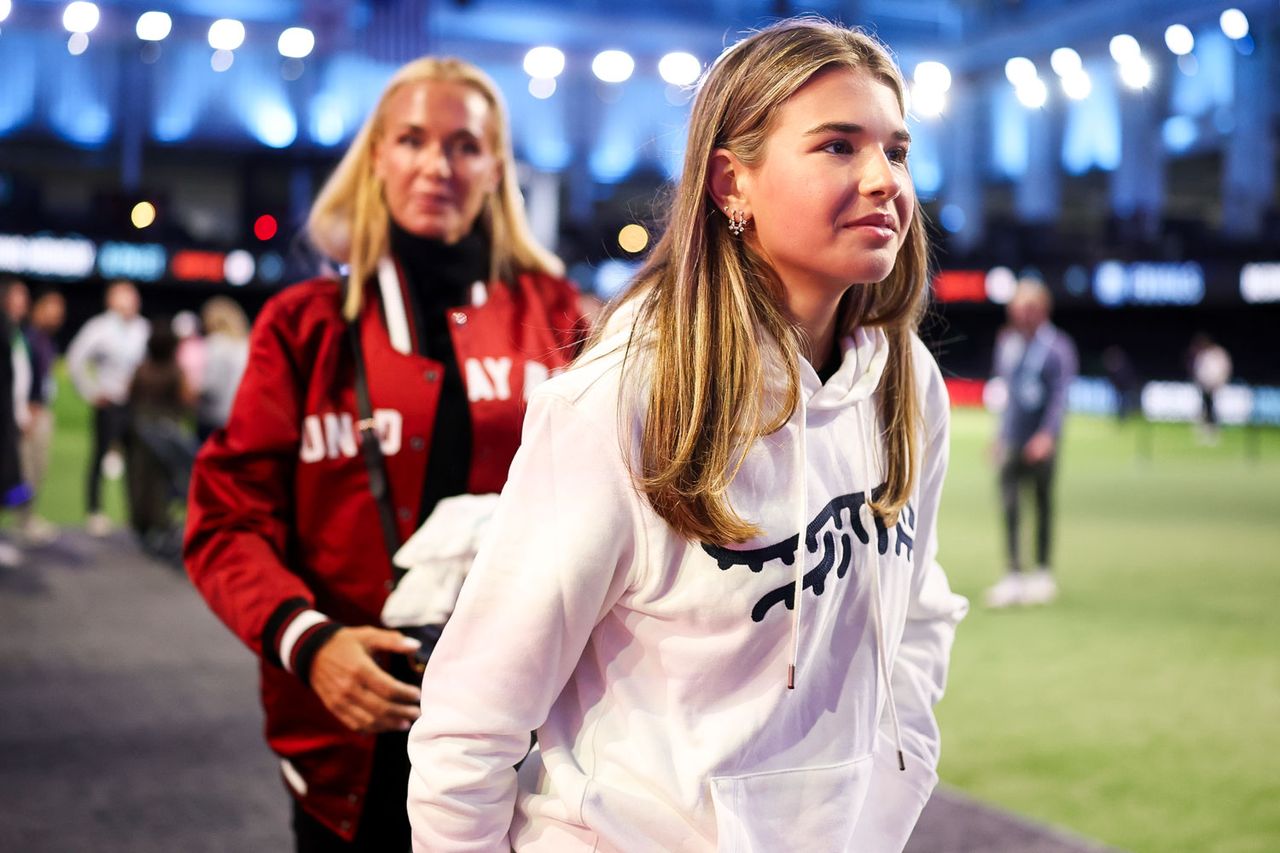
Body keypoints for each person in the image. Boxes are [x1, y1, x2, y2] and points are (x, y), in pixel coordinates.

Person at [406, 20, 968, 852]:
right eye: (839, 146)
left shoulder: (907, 384)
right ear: (730, 182)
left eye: (898, 150)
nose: (885, 180)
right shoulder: (622, 401)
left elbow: (917, 610)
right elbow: (470, 724)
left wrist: (896, 774)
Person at [183, 56, 586, 852]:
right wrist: (310, 639)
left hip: (521, 731)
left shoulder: (558, 315)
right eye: (412, 139)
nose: (438, 164)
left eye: (465, 145)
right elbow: (225, 522)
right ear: (377, 158)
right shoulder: (304, 326)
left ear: (496, 167)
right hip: (347, 727)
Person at [985, 279, 1077, 608]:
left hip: (1040, 441)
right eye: (1017, 308)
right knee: (1009, 506)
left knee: (1041, 504)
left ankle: (1042, 572)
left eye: (1027, 308)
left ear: (1042, 310)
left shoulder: (1057, 347)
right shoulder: (1007, 344)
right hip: (1013, 439)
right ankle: (1012, 574)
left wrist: (1047, 435)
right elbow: (1006, 395)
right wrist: (998, 436)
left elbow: (1059, 397)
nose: (1021, 315)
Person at [66, 280, 150, 537]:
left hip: (135, 405)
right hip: (109, 402)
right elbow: (75, 359)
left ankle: (134, 514)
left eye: (133, 297)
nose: (131, 303)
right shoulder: (99, 327)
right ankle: (95, 511)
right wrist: (91, 392)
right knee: (99, 457)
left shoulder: (142, 328)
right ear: (112, 301)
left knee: (136, 461)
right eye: (125, 297)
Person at [127, 319, 197, 560]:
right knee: (168, 483)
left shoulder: (141, 369)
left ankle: (144, 527)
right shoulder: (176, 371)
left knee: (141, 482)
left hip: (141, 431)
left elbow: (130, 395)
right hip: (168, 434)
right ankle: (162, 528)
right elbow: (187, 400)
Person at [5, 283, 65, 544]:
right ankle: (22, 518)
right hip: (23, 413)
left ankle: (25, 517)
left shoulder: (36, 337)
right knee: (20, 470)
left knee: (33, 469)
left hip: (33, 410)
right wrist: (24, 410)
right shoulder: (23, 335)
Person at [195, 296, 250, 441]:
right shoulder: (247, 344)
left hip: (215, 419)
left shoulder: (216, 343)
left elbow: (210, 387)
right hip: (241, 417)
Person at [1188, 333, 1231, 444]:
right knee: (1205, 407)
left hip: (1216, 385)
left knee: (1214, 408)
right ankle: (1205, 430)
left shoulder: (1218, 353)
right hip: (1205, 385)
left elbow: (1225, 368)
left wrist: (1220, 381)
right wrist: (1200, 381)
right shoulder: (1203, 354)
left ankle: (1214, 431)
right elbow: (1198, 369)